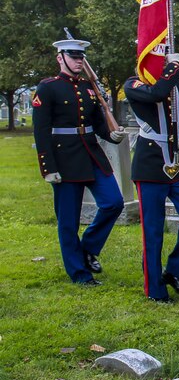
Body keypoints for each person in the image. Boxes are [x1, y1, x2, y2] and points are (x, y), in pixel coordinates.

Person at [32, 39, 126, 286]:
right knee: (68, 220)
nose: (78, 61)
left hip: (91, 153)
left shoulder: (89, 86)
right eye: (73, 56)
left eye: (80, 57)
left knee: (113, 202)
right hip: (64, 160)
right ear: (60, 58)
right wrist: (48, 168)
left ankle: (88, 248)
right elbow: (40, 132)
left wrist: (110, 135)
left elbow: (97, 122)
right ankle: (79, 273)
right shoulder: (47, 87)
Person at [124, 53, 179, 302]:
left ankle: (173, 271)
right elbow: (155, 94)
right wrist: (174, 70)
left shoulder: (175, 84)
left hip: (177, 165)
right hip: (150, 166)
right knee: (153, 230)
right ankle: (155, 290)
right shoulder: (133, 84)